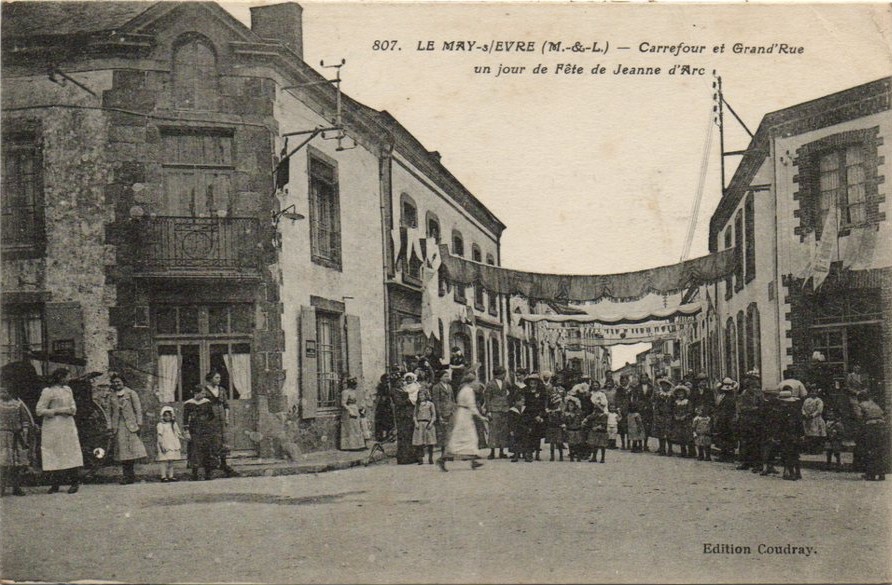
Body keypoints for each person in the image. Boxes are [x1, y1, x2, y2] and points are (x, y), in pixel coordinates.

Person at [35, 368, 83, 494]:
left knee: (71, 451)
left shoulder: (68, 390)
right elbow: (39, 410)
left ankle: (74, 482)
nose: (69, 379)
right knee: (54, 453)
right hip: (53, 426)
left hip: (67, 425)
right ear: (60, 377)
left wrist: (71, 410)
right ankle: (55, 484)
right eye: (67, 376)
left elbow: (73, 407)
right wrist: (58, 411)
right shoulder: (48, 391)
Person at [437, 371, 486, 472]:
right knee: (467, 438)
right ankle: (444, 459)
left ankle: (473, 460)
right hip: (465, 416)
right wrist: (481, 417)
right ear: (471, 382)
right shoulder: (468, 391)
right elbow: (472, 406)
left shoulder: (464, 389)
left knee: (465, 438)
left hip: (462, 414)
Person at [107, 373, 148, 485]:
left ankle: (131, 475)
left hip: (131, 425)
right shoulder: (111, 396)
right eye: (114, 382)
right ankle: (126, 476)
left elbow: (138, 409)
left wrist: (139, 423)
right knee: (123, 451)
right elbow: (108, 412)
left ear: (123, 382)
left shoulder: (131, 393)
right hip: (119, 425)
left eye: (118, 381)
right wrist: (110, 426)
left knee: (132, 450)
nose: (117, 384)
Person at [203, 371, 238, 477]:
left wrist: (226, 417)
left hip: (221, 417)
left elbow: (226, 405)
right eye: (216, 377)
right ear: (210, 379)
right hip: (210, 418)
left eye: (219, 378)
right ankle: (210, 467)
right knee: (212, 440)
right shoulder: (204, 390)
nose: (219, 379)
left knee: (223, 439)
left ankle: (224, 463)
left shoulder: (222, 390)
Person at [0, 383, 31, 496]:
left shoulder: (18, 404)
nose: (2, 394)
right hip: (2, 436)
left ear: (10, 392)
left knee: (16, 464)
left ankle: (16, 487)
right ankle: (1, 488)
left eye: (5, 391)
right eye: (1, 391)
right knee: (2, 463)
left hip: (17, 436)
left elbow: (25, 420)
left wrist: (25, 433)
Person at [183, 386, 219, 481]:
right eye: (202, 393)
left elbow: (212, 416)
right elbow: (185, 419)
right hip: (194, 430)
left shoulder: (207, 402)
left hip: (205, 429)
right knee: (194, 450)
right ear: (196, 393)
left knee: (206, 449)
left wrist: (206, 422)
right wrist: (186, 431)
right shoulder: (188, 404)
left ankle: (208, 473)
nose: (204, 395)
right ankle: (195, 474)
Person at [735, 371, 763, 470]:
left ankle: (756, 463)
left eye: (756, 387)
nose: (754, 389)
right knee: (744, 442)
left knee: (756, 442)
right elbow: (742, 407)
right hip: (745, 421)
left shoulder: (759, 395)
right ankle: (745, 462)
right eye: (752, 387)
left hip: (756, 421)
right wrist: (753, 408)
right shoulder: (743, 395)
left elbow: (762, 406)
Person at [857, 392, 886, 481]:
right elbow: (883, 414)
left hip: (870, 427)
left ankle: (871, 474)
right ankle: (881, 474)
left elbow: (859, 417)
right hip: (881, 427)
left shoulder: (861, 405)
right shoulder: (874, 404)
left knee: (869, 450)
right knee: (879, 451)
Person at [484, 366, 511, 460]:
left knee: (503, 430)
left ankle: (501, 451)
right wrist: (488, 410)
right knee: (493, 430)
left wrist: (508, 403)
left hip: (504, 408)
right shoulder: (490, 384)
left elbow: (511, 391)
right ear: (499, 374)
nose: (505, 375)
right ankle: (492, 451)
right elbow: (487, 398)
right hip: (494, 409)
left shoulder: (506, 382)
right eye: (504, 373)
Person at [778, 387, 803, 481]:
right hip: (794, 435)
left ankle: (792, 473)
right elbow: (800, 424)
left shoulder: (785, 412)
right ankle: (797, 472)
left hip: (789, 436)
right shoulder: (795, 410)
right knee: (795, 454)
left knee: (789, 455)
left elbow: (781, 426)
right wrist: (801, 434)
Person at [522, 373, 547, 461]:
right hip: (528, 415)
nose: (533, 385)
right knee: (529, 434)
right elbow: (524, 405)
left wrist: (540, 415)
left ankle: (537, 453)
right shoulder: (525, 392)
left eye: (535, 383)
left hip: (538, 416)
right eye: (531, 383)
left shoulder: (542, 392)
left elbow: (543, 405)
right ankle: (529, 453)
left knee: (537, 435)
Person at [431, 370, 455, 460]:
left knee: (450, 433)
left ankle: (450, 453)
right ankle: (443, 453)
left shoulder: (450, 387)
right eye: (445, 376)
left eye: (448, 376)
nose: (447, 378)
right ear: (440, 377)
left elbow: (452, 399)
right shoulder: (436, 387)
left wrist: (454, 409)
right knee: (442, 434)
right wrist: (439, 414)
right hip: (442, 411)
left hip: (450, 411)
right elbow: (436, 401)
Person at [712, 378, 738, 462]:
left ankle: (729, 455)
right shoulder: (721, 396)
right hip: (722, 418)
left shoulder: (732, 397)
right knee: (723, 436)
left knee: (729, 436)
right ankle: (724, 454)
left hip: (729, 419)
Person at [156, 405, 184, 482]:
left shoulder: (174, 424)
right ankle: (163, 476)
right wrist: (161, 444)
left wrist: (182, 438)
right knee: (164, 461)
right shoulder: (160, 425)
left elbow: (178, 433)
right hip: (165, 443)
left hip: (172, 444)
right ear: (163, 416)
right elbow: (160, 435)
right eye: (166, 416)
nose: (168, 417)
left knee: (171, 461)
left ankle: (171, 476)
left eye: (169, 416)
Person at [412, 387, 438, 464]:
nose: (421, 397)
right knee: (419, 442)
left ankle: (430, 457)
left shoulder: (430, 404)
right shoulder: (417, 405)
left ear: (426, 396)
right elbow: (414, 415)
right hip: (420, 424)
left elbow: (434, 415)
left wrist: (431, 423)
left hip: (428, 424)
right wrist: (416, 422)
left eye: (422, 395)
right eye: (419, 396)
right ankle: (420, 459)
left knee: (430, 442)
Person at [339, 377, 365, 451]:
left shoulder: (354, 392)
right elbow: (343, 403)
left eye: (355, 384)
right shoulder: (345, 392)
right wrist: (350, 410)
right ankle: (349, 446)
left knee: (357, 427)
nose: (355, 386)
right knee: (350, 428)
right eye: (354, 384)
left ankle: (358, 445)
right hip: (348, 411)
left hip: (355, 409)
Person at [668, 385, 693, 458]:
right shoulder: (676, 402)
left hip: (686, 421)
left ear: (684, 394)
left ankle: (691, 452)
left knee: (688, 436)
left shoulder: (688, 402)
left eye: (682, 394)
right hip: (678, 421)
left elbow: (690, 411)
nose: (680, 395)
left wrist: (685, 416)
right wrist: (675, 416)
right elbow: (674, 410)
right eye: (679, 394)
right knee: (680, 436)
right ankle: (683, 451)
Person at [802, 385, 827, 454]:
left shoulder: (819, 400)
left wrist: (812, 415)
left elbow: (819, 410)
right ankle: (809, 450)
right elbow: (803, 408)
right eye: (811, 392)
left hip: (816, 419)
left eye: (815, 392)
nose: (813, 393)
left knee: (816, 434)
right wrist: (804, 414)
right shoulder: (807, 400)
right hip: (807, 419)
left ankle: (816, 450)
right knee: (808, 434)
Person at [652, 378, 673, 455]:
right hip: (661, 416)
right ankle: (662, 449)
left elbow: (673, 406)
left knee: (669, 434)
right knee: (661, 434)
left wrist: (672, 415)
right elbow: (656, 407)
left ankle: (670, 449)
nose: (665, 388)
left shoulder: (671, 396)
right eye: (663, 386)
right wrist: (657, 415)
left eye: (666, 386)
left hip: (669, 416)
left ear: (669, 387)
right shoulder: (659, 396)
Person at [374, 373, 396, 442]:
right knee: (382, 421)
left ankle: (388, 435)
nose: (387, 380)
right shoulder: (381, 386)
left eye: (388, 379)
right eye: (386, 379)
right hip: (383, 405)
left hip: (387, 405)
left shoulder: (388, 386)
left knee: (388, 421)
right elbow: (380, 396)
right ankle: (381, 436)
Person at [545, 391, 566, 461]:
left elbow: (562, 419)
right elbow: (547, 419)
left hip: (558, 427)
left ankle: (561, 455)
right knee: (552, 442)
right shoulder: (549, 411)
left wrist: (562, 424)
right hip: (551, 427)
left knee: (559, 442)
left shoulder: (559, 412)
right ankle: (552, 456)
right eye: (556, 403)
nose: (557, 405)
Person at [562, 394, 584, 462]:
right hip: (570, 430)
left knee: (578, 443)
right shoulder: (566, 414)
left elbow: (582, 420)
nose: (570, 407)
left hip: (577, 429)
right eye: (569, 405)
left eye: (572, 405)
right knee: (571, 443)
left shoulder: (578, 413)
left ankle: (578, 456)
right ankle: (571, 455)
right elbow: (564, 421)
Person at [507, 395, 527, 463]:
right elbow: (510, 421)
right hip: (516, 428)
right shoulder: (512, 411)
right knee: (516, 442)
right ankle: (516, 455)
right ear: (516, 402)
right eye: (521, 402)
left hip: (524, 428)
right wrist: (511, 430)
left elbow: (528, 419)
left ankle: (526, 455)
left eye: (523, 402)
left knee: (525, 441)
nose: (523, 403)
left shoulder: (525, 409)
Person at [615, 374, 631, 450]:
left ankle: (628, 443)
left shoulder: (631, 389)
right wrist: (618, 408)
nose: (624, 382)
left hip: (629, 410)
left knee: (628, 428)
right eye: (622, 381)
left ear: (628, 381)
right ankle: (623, 444)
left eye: (625, 380)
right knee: (622, 428)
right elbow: (617, 399)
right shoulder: (619, 390)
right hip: (621, 411)